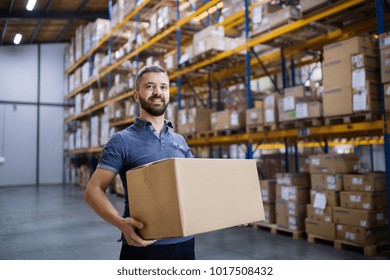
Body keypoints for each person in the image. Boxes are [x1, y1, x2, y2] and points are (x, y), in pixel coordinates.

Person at [84, 65, 195, 260]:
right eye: (150, 86)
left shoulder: (180, 141)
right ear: (136, 95)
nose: (157, 93)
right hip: (142, 245)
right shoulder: (122, 140)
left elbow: (196, 187)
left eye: (163, 87)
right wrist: (121, 223)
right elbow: (93, 190)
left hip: (184, 244)